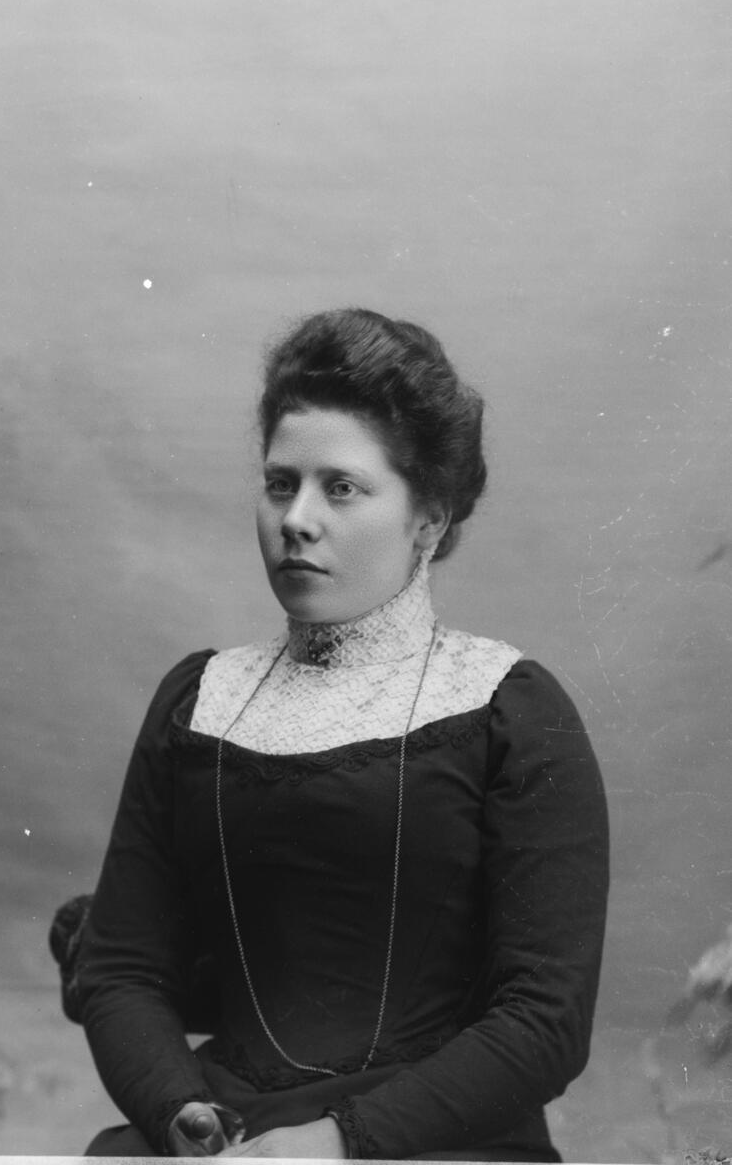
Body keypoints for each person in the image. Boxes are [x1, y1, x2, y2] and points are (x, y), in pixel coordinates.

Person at [74, 308, 609, 1159]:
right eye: (280, 483)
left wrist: (335, 1144)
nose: (297, 518)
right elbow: (120, 968)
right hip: (225, 1131)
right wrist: (180, 1113)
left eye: (342, 488)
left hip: (430, 1140)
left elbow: (546, 1020)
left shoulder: (508, 709)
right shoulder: (200, 700)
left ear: (429, 519)